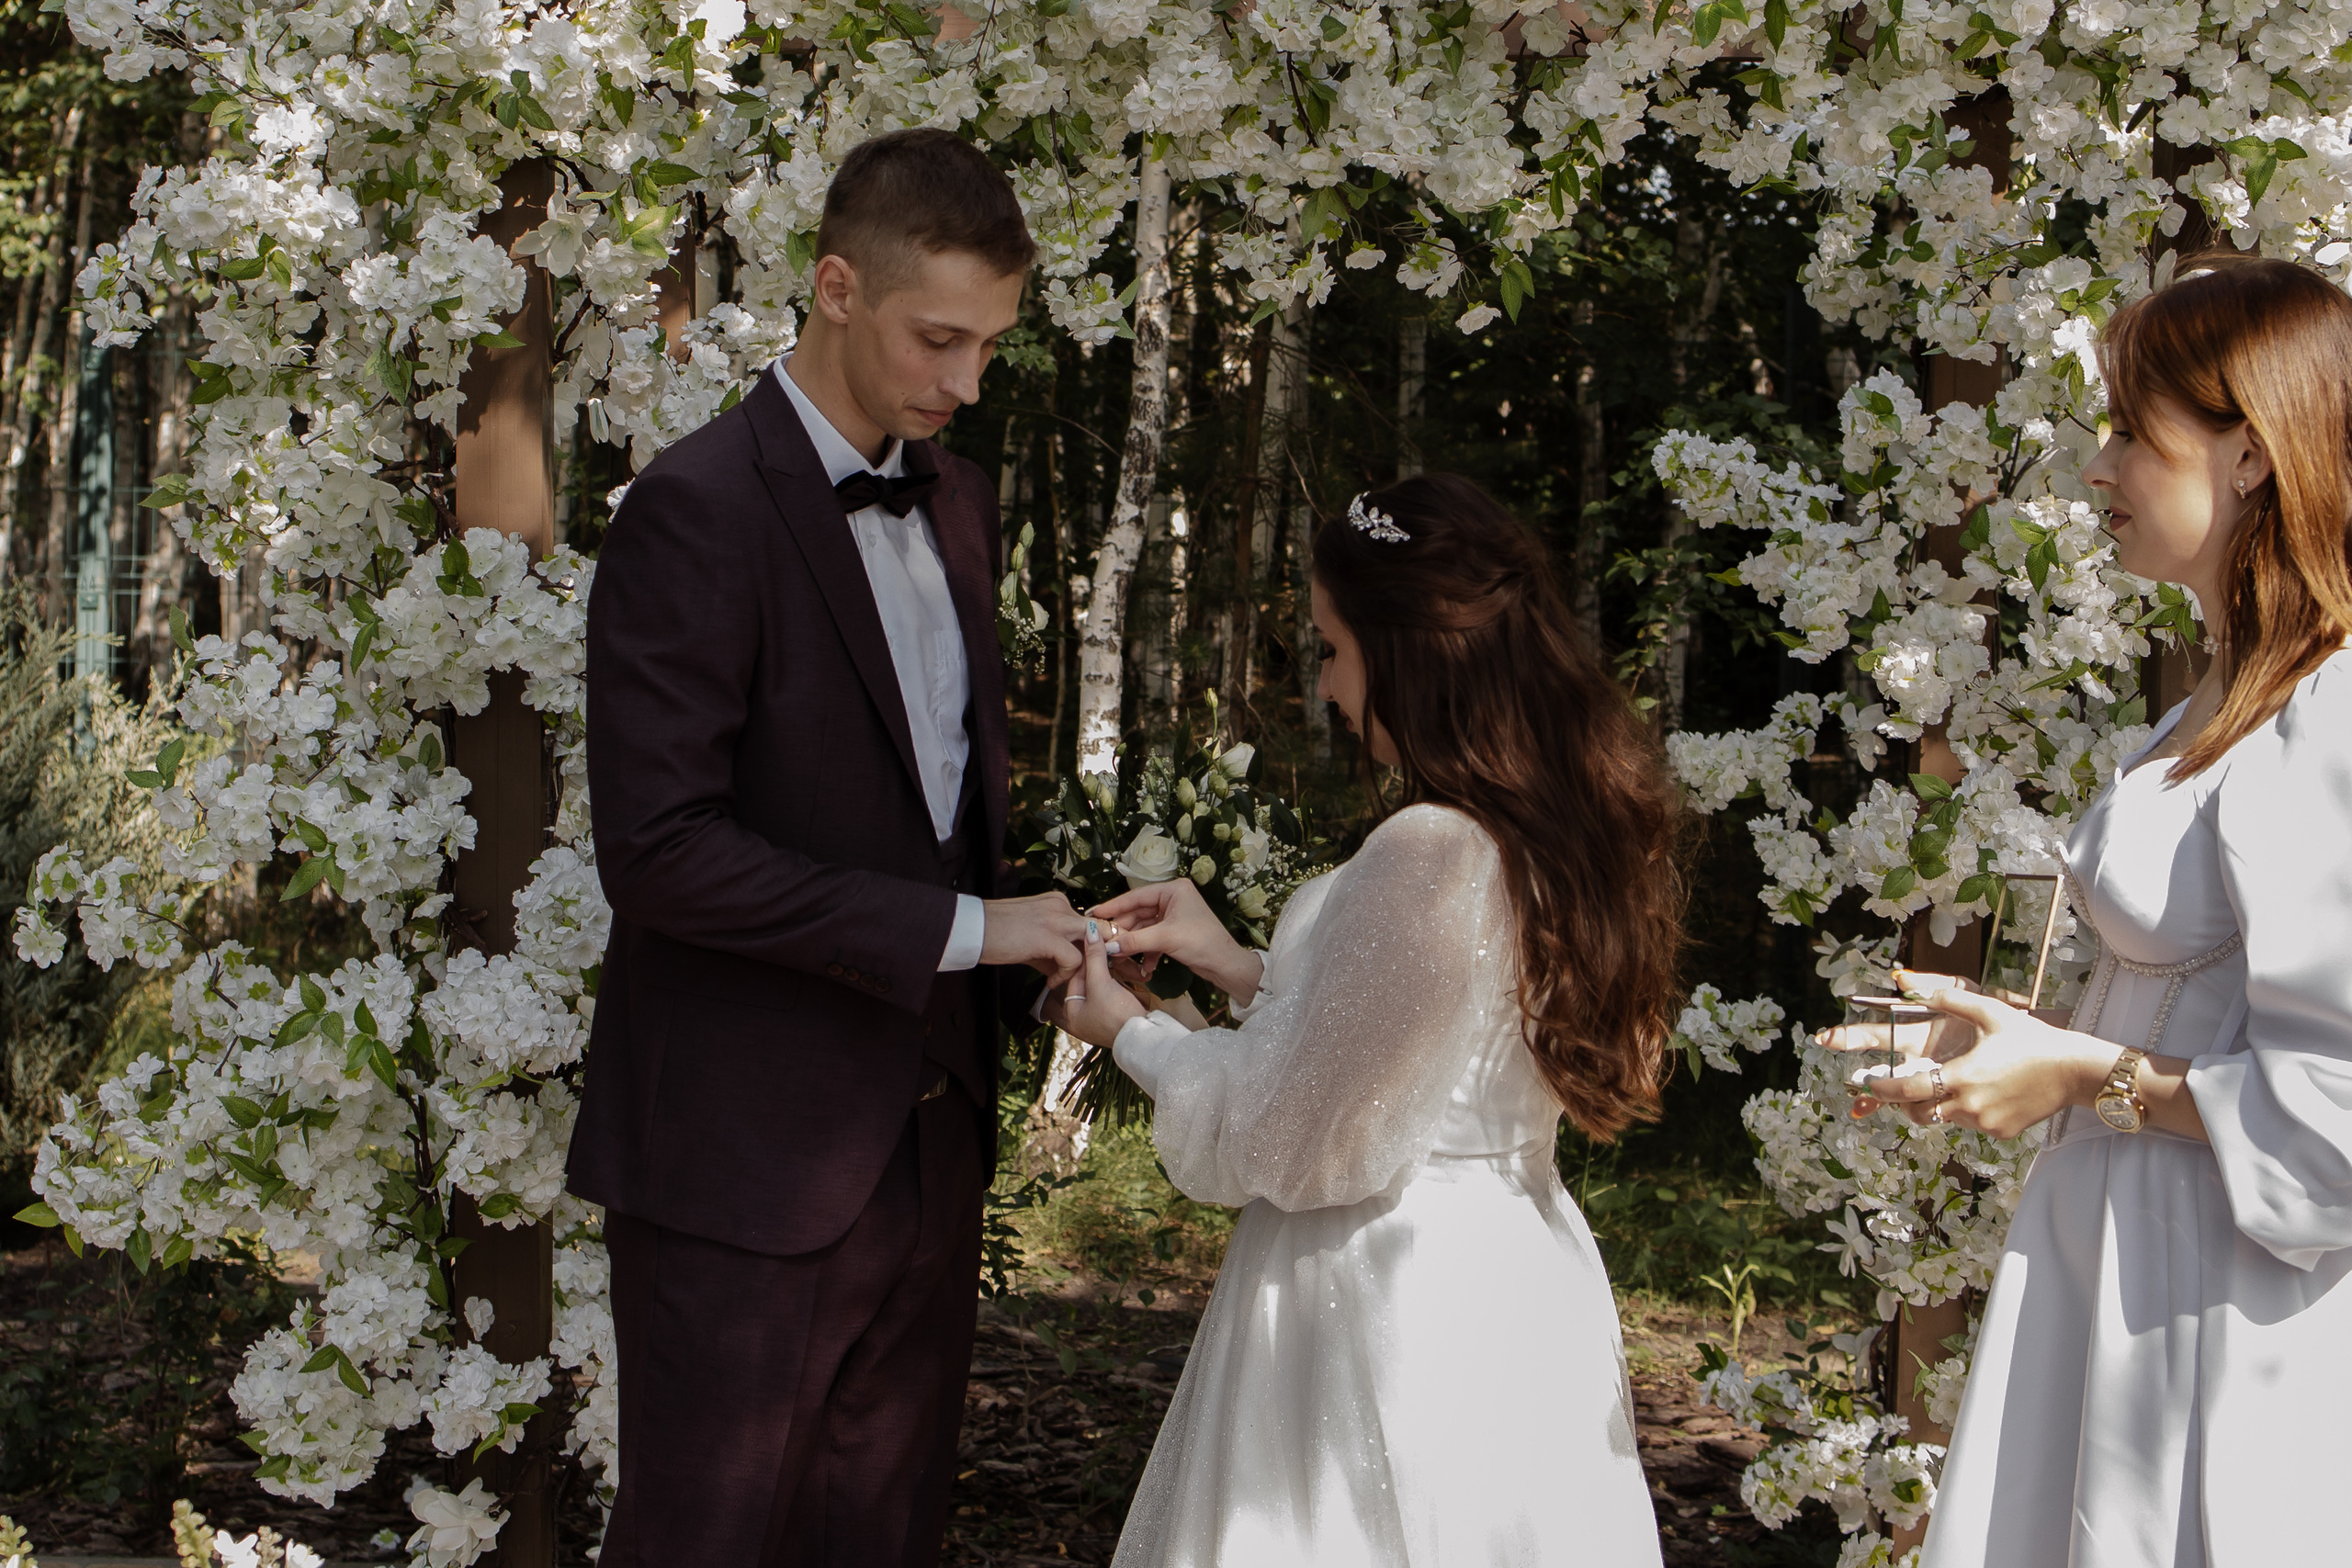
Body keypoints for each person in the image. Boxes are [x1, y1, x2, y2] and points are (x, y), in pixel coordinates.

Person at [568, 129, 1088, 1566]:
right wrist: (982, 927)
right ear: (836, 285)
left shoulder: (961, 503)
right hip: (743, 1159)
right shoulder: (694, 510)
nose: (966, 383)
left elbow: (925, 810)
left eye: (990, 346)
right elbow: (661, 853)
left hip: (927, 1149)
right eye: (940, 339)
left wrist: (1038, 944)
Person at [1823, 254, 2352, 1567]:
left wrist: (2082, 1075)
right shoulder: (2202, 715)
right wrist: (2006, 1035)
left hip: (2220, 1315)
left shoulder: (2332, 723)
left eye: (2130, 427)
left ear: (2249, 455)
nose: (2097, 468)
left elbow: (2338, 1123)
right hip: (2113, 1261)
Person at [1054, 475, 1681, 1565]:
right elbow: (1426, 1047)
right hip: (1509, 1277)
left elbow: (1299, 1144)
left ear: (1409, 652)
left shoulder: (1430, 849)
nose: (1332, 688)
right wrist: (1243, 968)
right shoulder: (1548, 825)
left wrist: (1135, 1032)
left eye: (1334, 649)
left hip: (1383, 1303)